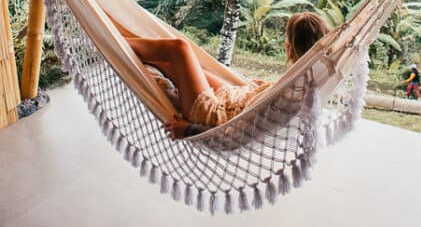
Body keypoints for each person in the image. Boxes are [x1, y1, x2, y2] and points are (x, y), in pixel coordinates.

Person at [106, 10, 331, 139]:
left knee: (179, 49)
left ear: (289, 50)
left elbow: (237, 134)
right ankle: (111, 26)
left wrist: (189, 130)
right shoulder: (308, 79)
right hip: (238, 99)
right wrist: (261, 87)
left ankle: (110, 36)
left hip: (216, 116)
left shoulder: (295, 93)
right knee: (181, 65)